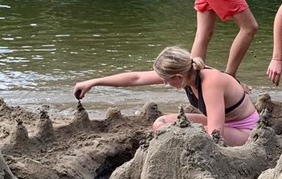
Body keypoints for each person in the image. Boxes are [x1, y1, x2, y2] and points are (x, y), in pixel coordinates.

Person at [73, 46, 259, 146]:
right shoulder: (187, 74)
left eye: (166, 80)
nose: (163, 83)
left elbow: (215, 135)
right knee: (160, 124)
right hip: (222, 122)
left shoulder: (210, 82)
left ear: (178, 77)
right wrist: (93, 82)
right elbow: (136, 78)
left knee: (188, 134)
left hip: (244, 130)